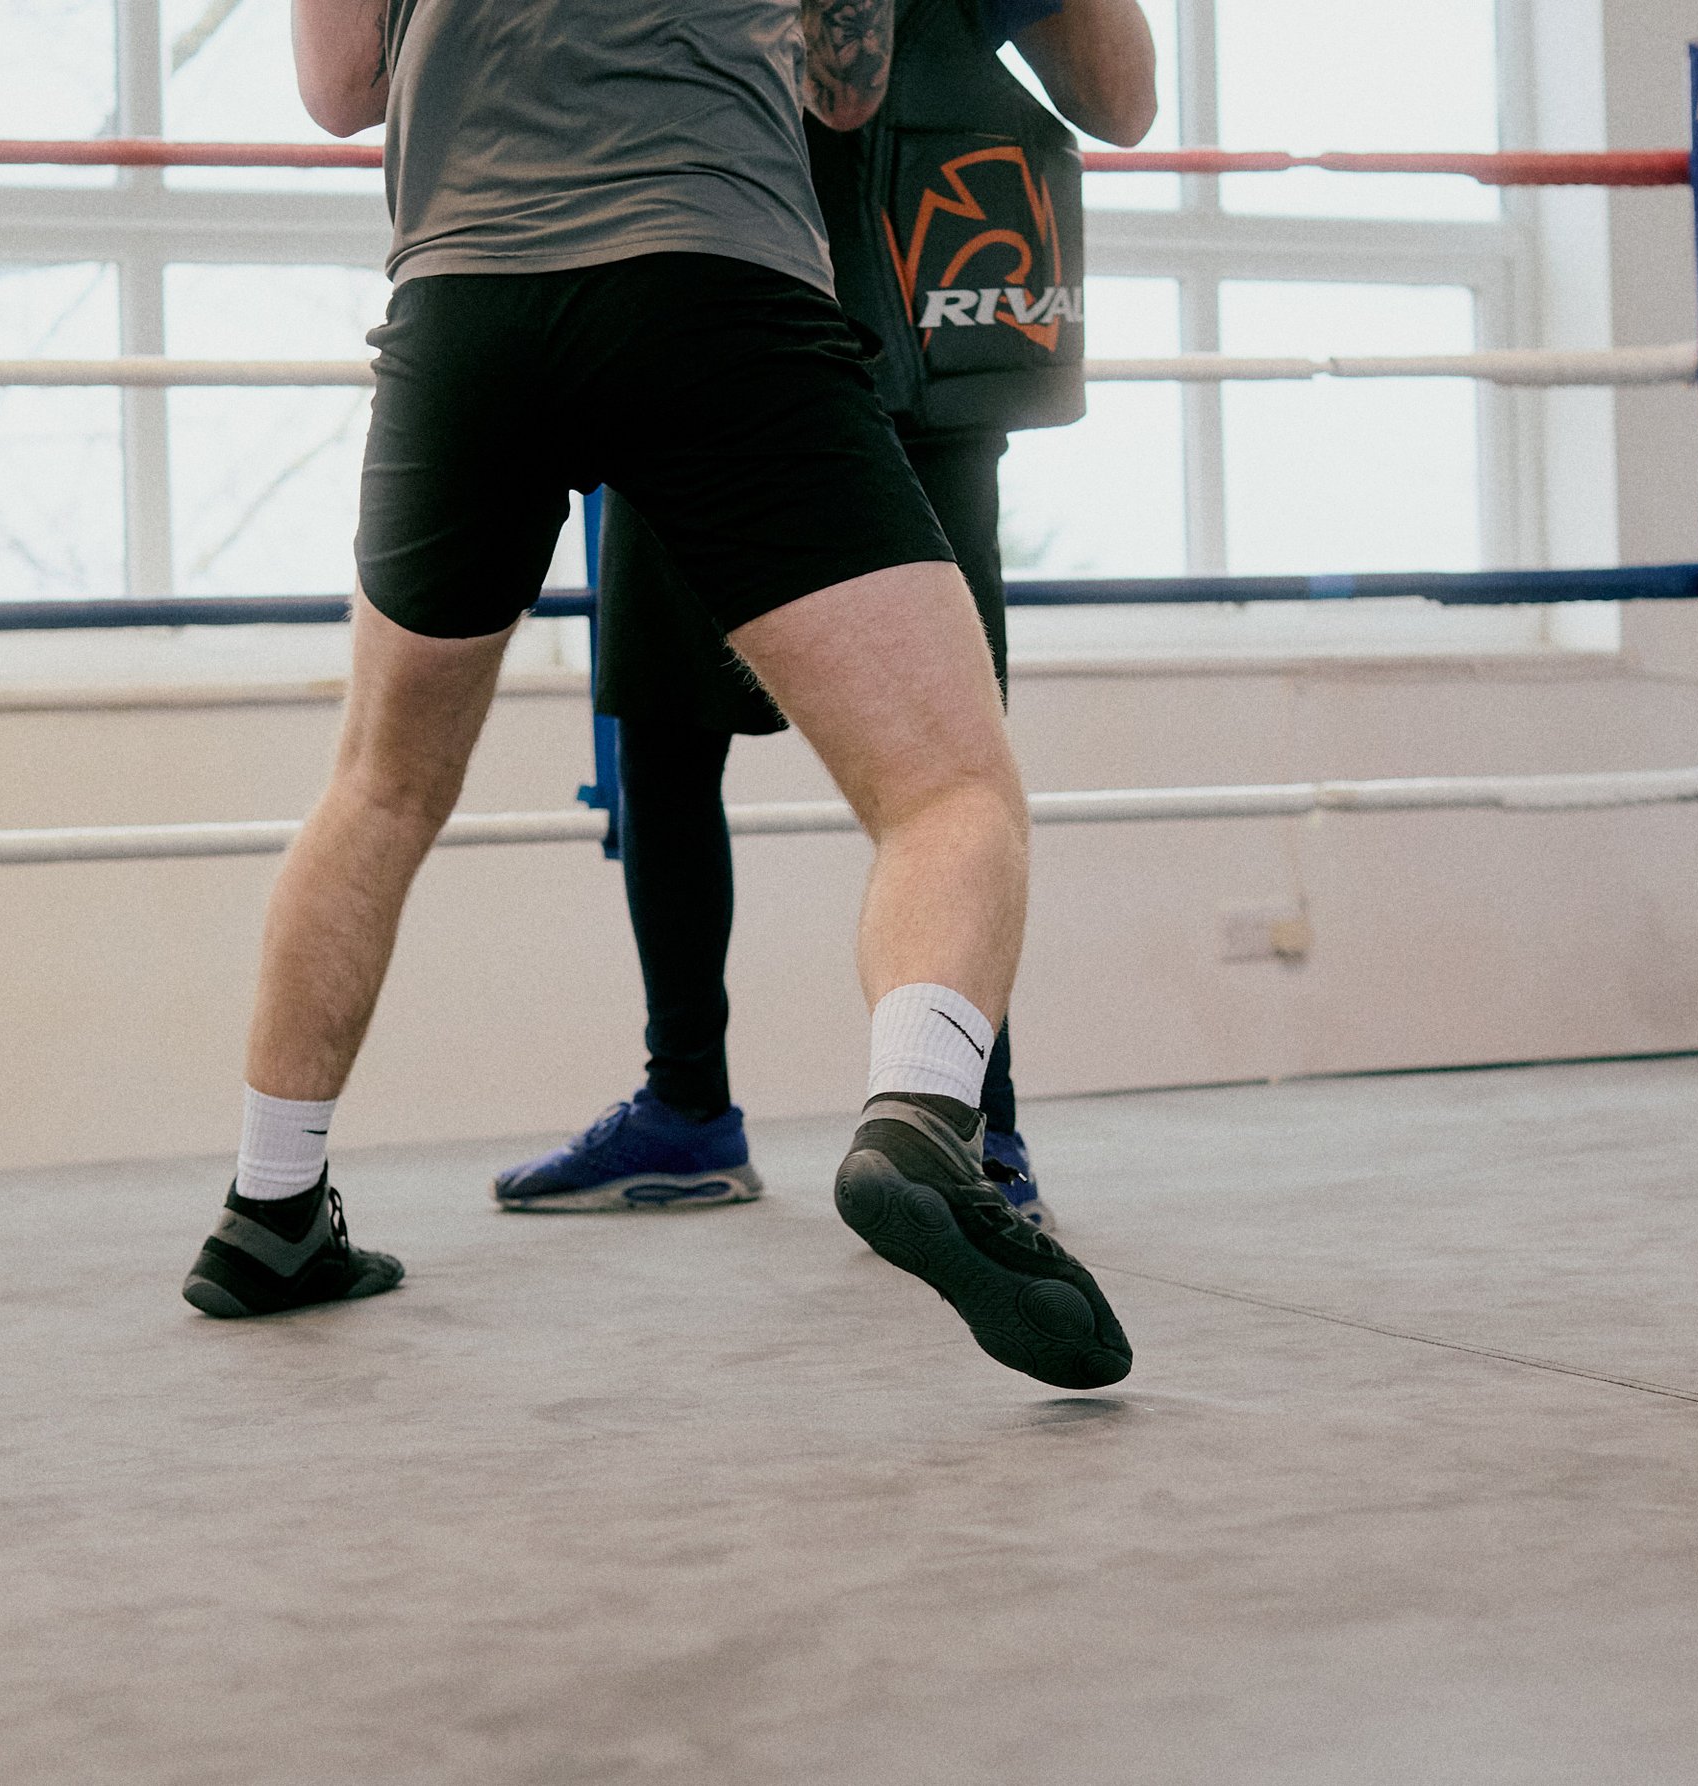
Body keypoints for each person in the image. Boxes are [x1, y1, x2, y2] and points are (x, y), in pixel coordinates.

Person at [180, 0, 1133, 1392]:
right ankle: (921, 1115)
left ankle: (270, 1210)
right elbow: (849, 91)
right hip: (710, 284)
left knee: (380, 784)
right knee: (946, 788)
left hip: (463, 306)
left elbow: (338, 89)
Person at [492, 0, 1158, 1231]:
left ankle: (966, 1122)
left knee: (953, 775)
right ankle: (688, 1107)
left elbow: (1120, 106)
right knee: (661, 742)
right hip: (694, 321)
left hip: (908, 351)